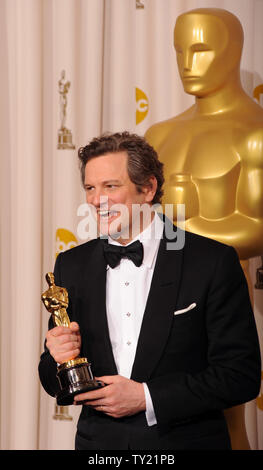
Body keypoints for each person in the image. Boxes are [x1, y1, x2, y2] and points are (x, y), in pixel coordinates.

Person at [39, 131, 261, 450]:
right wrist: (57, 358)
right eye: (90, 187)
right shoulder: (70, 265)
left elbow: (241, 376)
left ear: (148, 188)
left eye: (110, 186)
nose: (95, 199)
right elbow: (53, 380)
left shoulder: (212, 261)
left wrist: (146, 398)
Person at [144, 8, 263, 449]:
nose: (187, 64)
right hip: (153, 287)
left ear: (234, 52)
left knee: (227, 423)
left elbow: (257, 227)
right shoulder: (159, 133)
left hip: (221, 295)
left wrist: (185, 225)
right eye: (180, 51)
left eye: (201, 49)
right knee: (155, 412)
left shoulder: (255, 132)